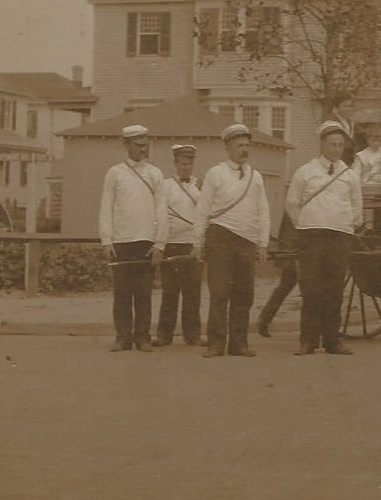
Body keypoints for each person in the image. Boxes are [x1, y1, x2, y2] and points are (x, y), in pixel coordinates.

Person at [192, 123, 270, 358]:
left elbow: (263, 211)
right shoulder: (216, 174)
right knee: (219, 293)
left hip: (246, 241)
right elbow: (203, 209)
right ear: (228, 147)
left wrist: (263, 243)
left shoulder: (255, 177)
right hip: (220, 238)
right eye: (239, 145)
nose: (244, 150)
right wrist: (197, 242)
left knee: (244, 295)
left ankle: (239, 344)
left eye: (247, 145)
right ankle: (216, 344)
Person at [286, 121, 364, 355]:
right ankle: (308, 340)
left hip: (339, 237)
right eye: (332, 145)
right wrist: (307, 225)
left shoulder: (349, 175)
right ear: (321, 145)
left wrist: (346, 225)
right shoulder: (306, 172)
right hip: (312, 236)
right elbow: (292, 204)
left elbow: (356, 207)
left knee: (334, 289)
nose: (336, 149)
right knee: (311, 289)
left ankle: (332, 340)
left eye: (340, 145)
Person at [98, 125, 167, 352]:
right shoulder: (114, 173)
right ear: (125, 144)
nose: (143, 150)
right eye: (138, 146)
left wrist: (159, 244)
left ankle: (143, 337)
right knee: (122, 293)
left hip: (146, 242)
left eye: (145, 145)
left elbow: (161, 210)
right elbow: (106, 208)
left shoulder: (155, 174)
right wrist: (106, 240)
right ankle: (123, 337)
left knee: (144, 293)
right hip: (121, 242)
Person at [153, 144, 206, 347]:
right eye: (183, 163)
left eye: (190, 163)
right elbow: (160, 215)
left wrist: (199, 243)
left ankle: (192, 335)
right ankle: (164, 335)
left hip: (192, 245)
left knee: (192, 293)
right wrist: (160, 243)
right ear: (175, 164)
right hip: (171, 245)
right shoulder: (166, 186)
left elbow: (204, 215)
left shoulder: (200, 186)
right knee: (170, 292)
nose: (186, 167)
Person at [255, 212, 298, 338]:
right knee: (290, 284)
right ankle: (265, 318)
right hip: (295, 243)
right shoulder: (294, 200)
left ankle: (264, 318)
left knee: (287, 284)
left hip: (300, 240)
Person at [329, 93, 357, 168]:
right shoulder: (332, 124)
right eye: (344, 106)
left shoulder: (350, 123)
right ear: (336, 107)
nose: (348, 109)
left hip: (349, 162)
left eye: (350, 106)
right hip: (336, 162)